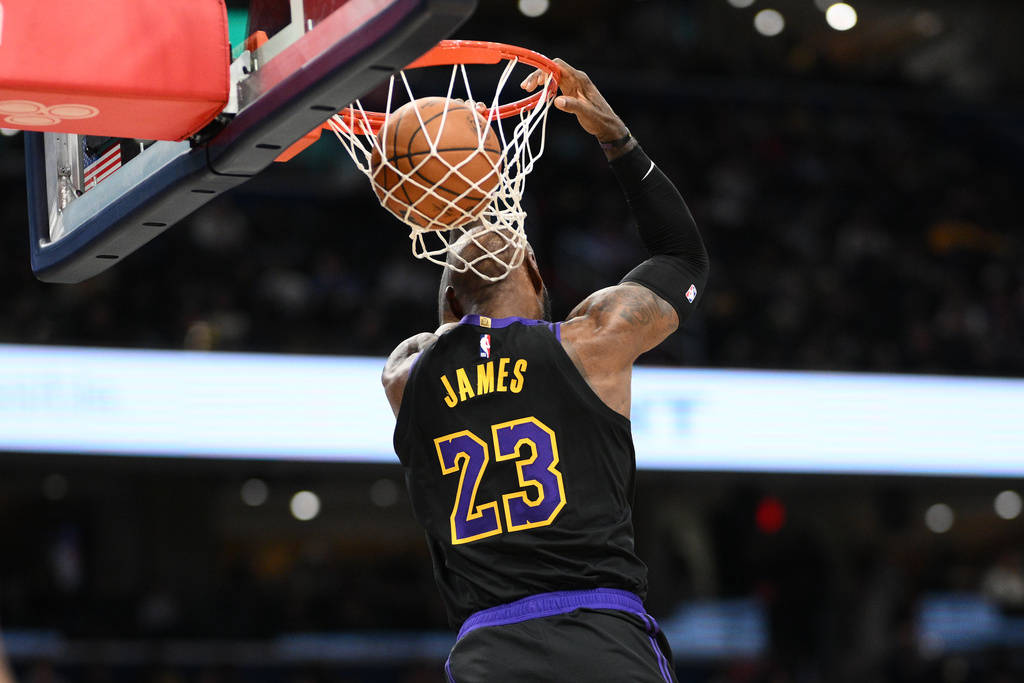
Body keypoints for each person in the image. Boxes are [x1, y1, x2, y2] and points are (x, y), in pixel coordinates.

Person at [382, 58, 709, 683]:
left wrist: (459, 299)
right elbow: (681, 255)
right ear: (536, 274)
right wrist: (618, 139)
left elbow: (438, 345)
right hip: (600, 637)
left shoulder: (406, 379)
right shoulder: (593, 342)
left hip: (491, 653)